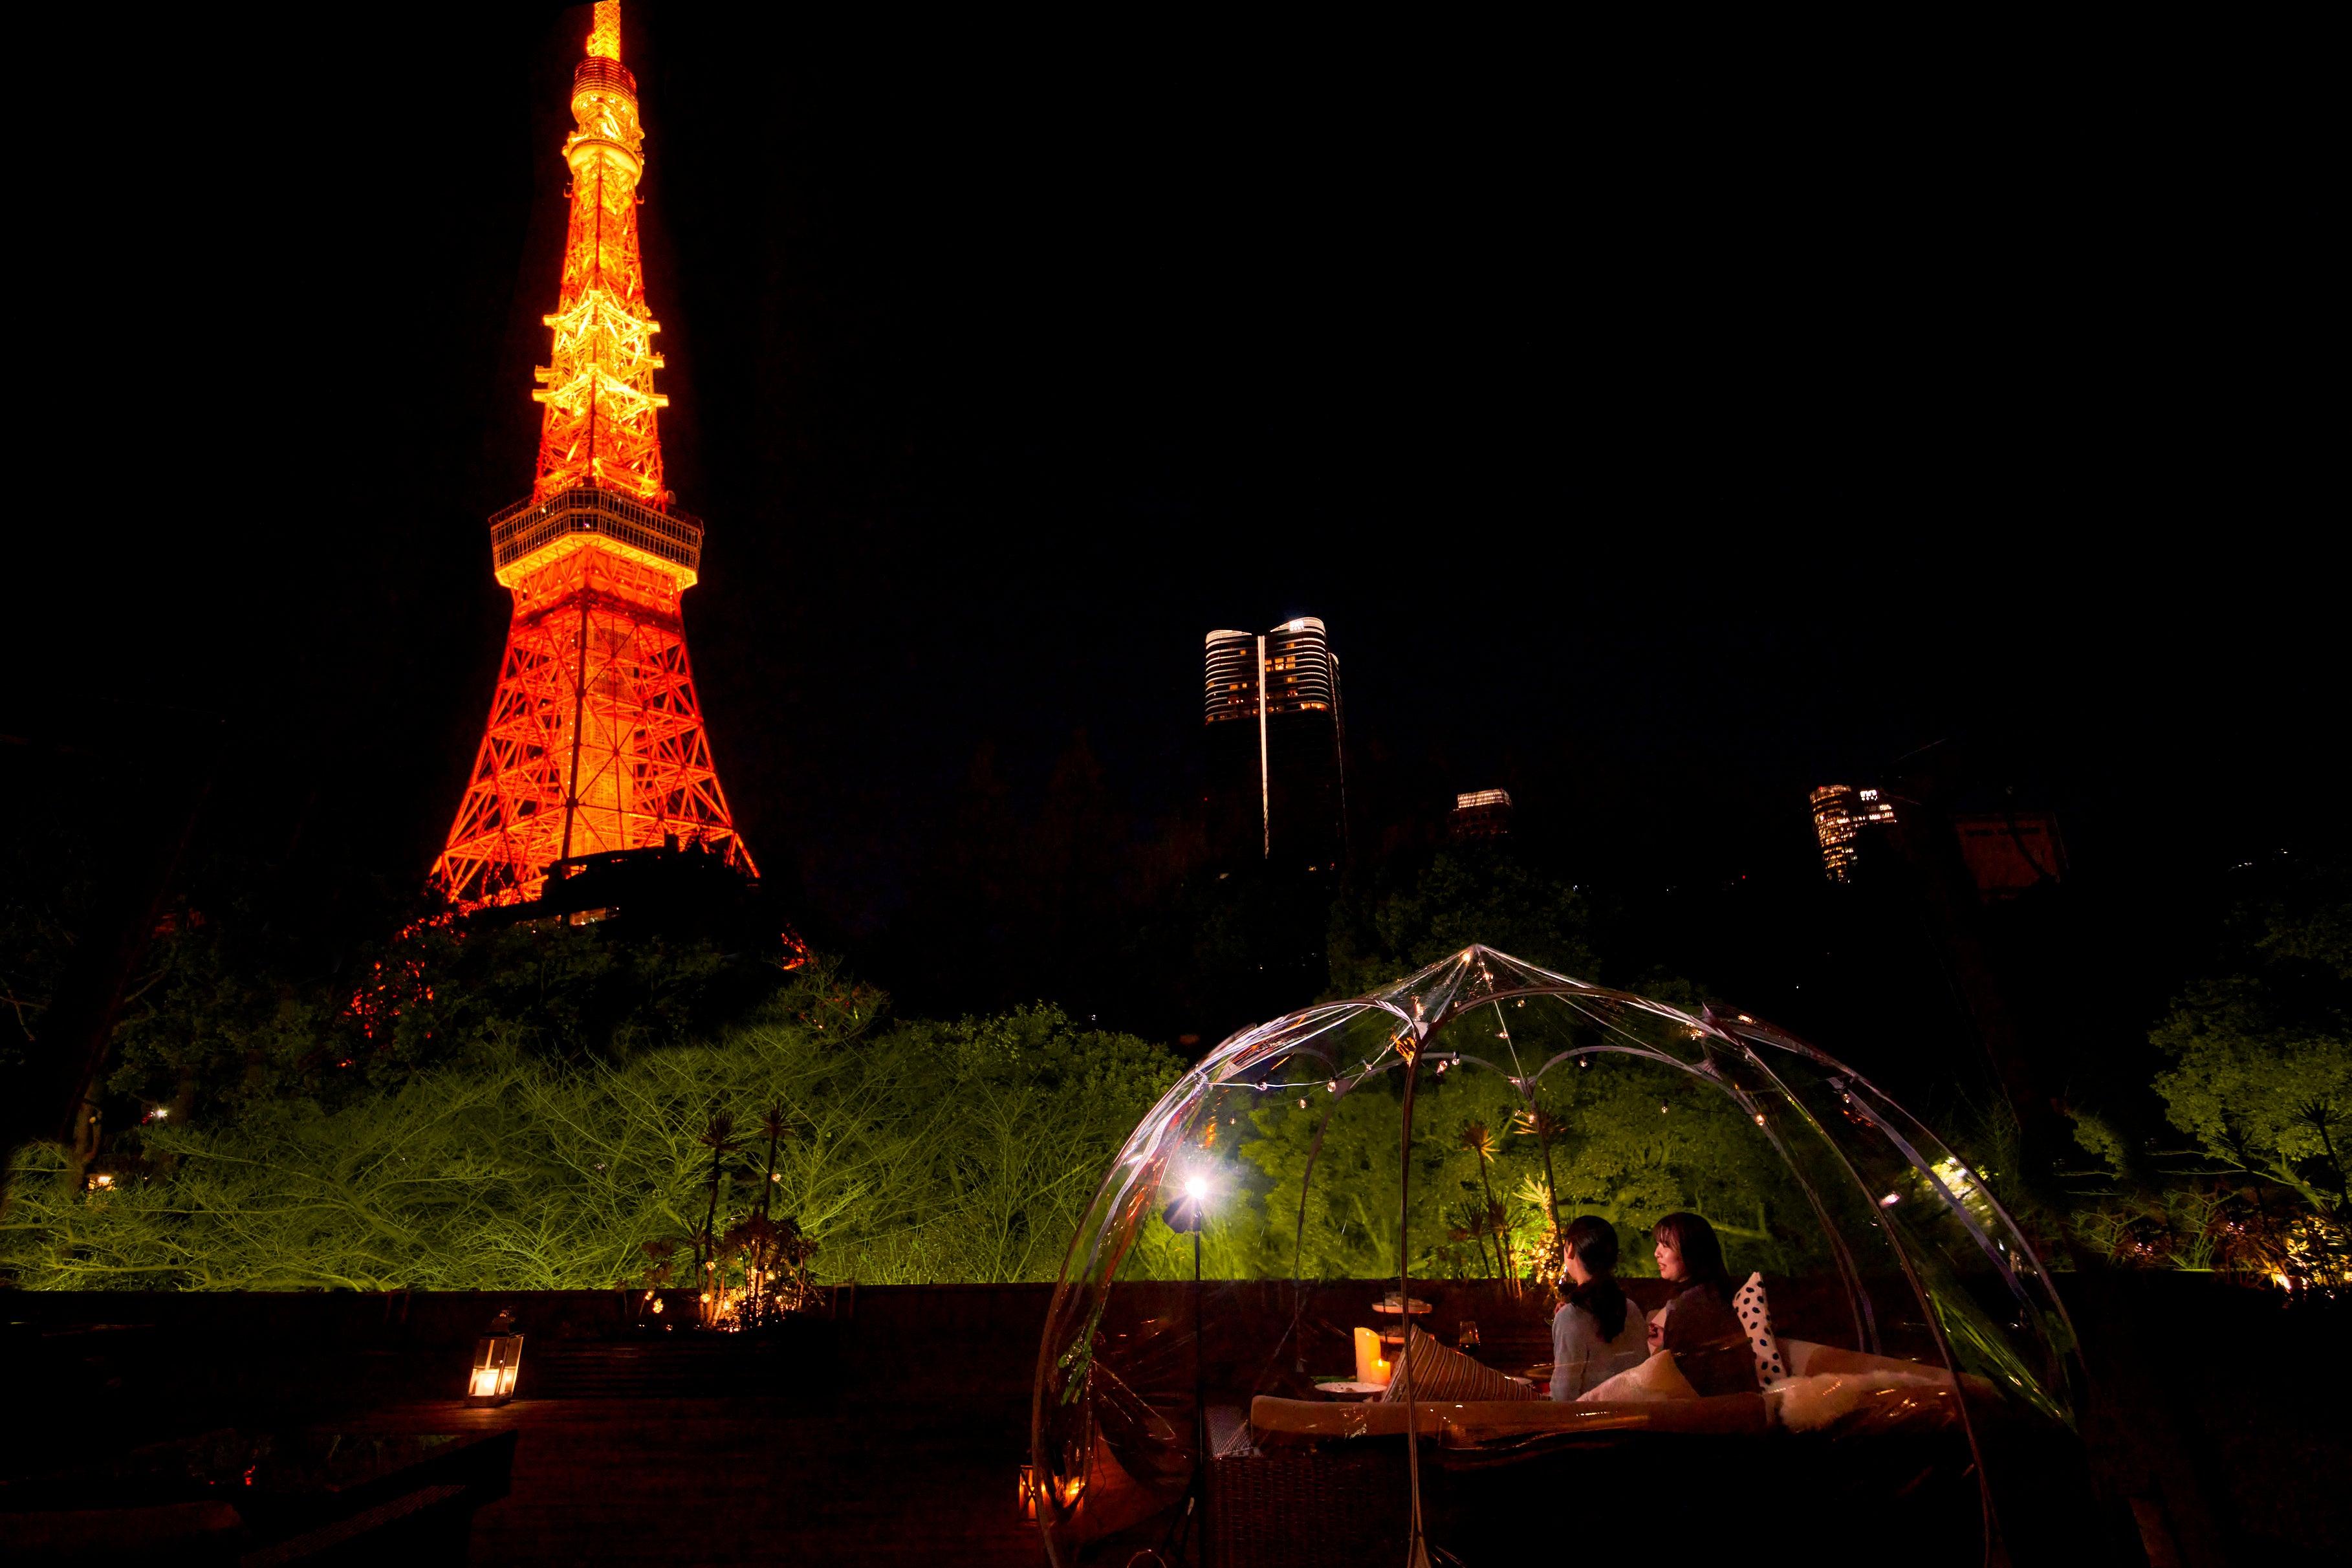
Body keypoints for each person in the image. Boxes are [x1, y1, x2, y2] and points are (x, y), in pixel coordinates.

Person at [1648, 1211, 1757, 1395]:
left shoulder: (1690, 1306)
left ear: (1691, 1252)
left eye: (1666, 1246)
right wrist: (1668, 1339)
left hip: (1715, 1409)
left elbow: (1678, 1381)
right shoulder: (1711, 1295)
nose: (1657, 1253)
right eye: (1658, 1244)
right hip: (1741, 1405)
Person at [1549, 1216, 1649, 1400]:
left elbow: (1564, 1394)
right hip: (1636, 1411)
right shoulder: (1631, 1309)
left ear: (1571, 1249)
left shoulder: (1572, 1317)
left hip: (1592, 1416)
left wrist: (1565, 1322)